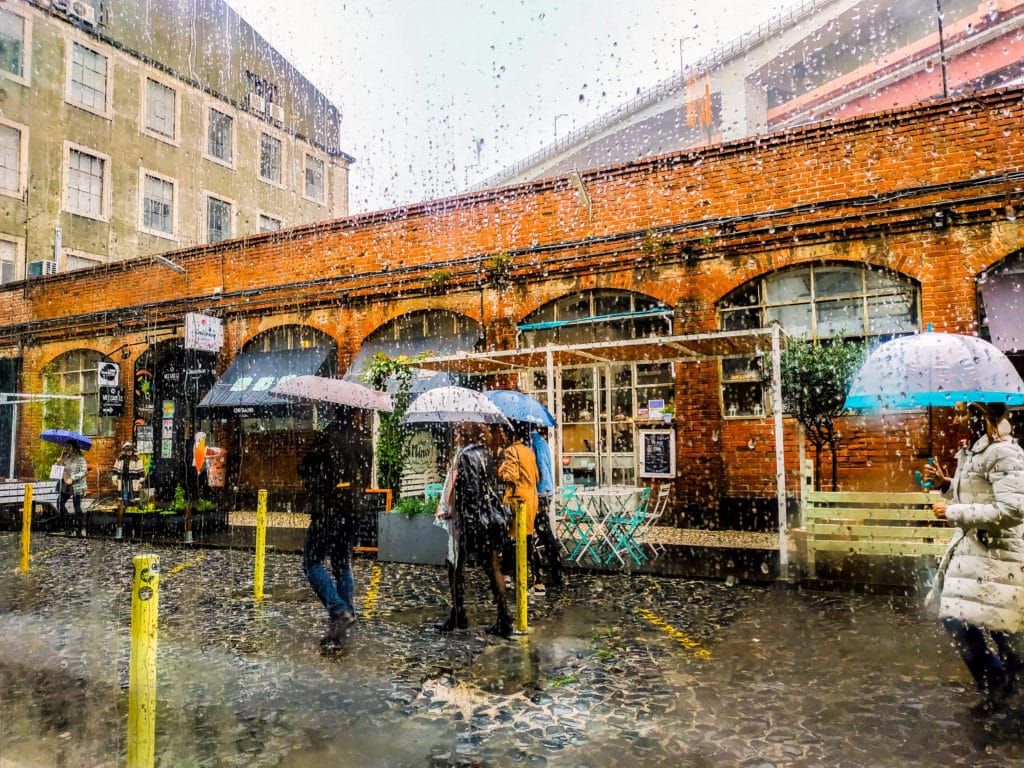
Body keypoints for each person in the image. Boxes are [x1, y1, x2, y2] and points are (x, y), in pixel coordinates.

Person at [923, 401, 1024, 714]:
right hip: (974, 553)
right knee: (958, 618)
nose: (955, 419)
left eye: (961, 412)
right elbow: (980, 495)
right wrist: (946, 486)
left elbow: (1013, 510)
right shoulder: (974, 451)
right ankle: (1000, 685)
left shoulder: (1004, 451)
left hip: (998, 555)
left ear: (979, 414)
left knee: (1000, 626)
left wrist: (952, 512)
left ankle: (1008, 688)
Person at [299, 410, 372, 647]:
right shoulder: (363, 439)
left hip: (329, 508)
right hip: (354, 508)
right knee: (341, 561)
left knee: (312, 562)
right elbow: (365, 475)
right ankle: (347, 614)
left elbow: (303, 468)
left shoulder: (326, 436)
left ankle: (340, 611)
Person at [436, 421, 512, 636]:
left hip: (470, 521)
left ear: (463, 433)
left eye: (457, 431)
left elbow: (471, 493)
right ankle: (503, 618)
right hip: (489, 519)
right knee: (492, 568)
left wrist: (467, 527)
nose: (455, 435)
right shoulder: (485, 454)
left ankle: (459, 615)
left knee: (454, 565)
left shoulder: (465, 456)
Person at [498, 423, 542, 593]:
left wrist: (501, 469)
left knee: (512, 539)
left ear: (510, 434)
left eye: (503, 432)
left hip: (517, 500)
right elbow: (536, 476)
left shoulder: (511, 451)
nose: (502, 436)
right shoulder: (528, 451)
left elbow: (511, 475)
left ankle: (506, 575)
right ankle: (537, 580)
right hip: (531, 499)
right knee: (528, 539)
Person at [530, 426, 563, 588]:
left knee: (543, 533)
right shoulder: (541, 441)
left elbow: (540, 469)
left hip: (539, 493)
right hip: (545, 491)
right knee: (544, 533)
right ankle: (555, 570)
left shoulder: (533, 442)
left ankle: (553, 572)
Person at [59, 442, 89, 537]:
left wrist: (73, 477)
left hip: (77, 486)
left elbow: (84, 472)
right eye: (67, 446)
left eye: (70, 447)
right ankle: (68, 524)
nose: (68, 448)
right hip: (65, 484)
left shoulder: (80, 459)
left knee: (77, 506)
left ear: (75, 448)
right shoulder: (65, 457)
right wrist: (58, 463)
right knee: (60, 503)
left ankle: (79, 526)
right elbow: (60, 469)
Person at [112, 442, 145, 509]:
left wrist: (141, 482)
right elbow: (115, 469)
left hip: (134, 479)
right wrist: (114, 479)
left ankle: (133, 507)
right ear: (125, 451)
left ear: (132, 450)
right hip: (122, 478)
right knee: (124, 493)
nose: (129, 452)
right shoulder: (120, 459)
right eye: (127, 450)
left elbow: (141, 472)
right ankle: (124, 507)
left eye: (130, 450)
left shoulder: (137, 460)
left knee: (133, 493)